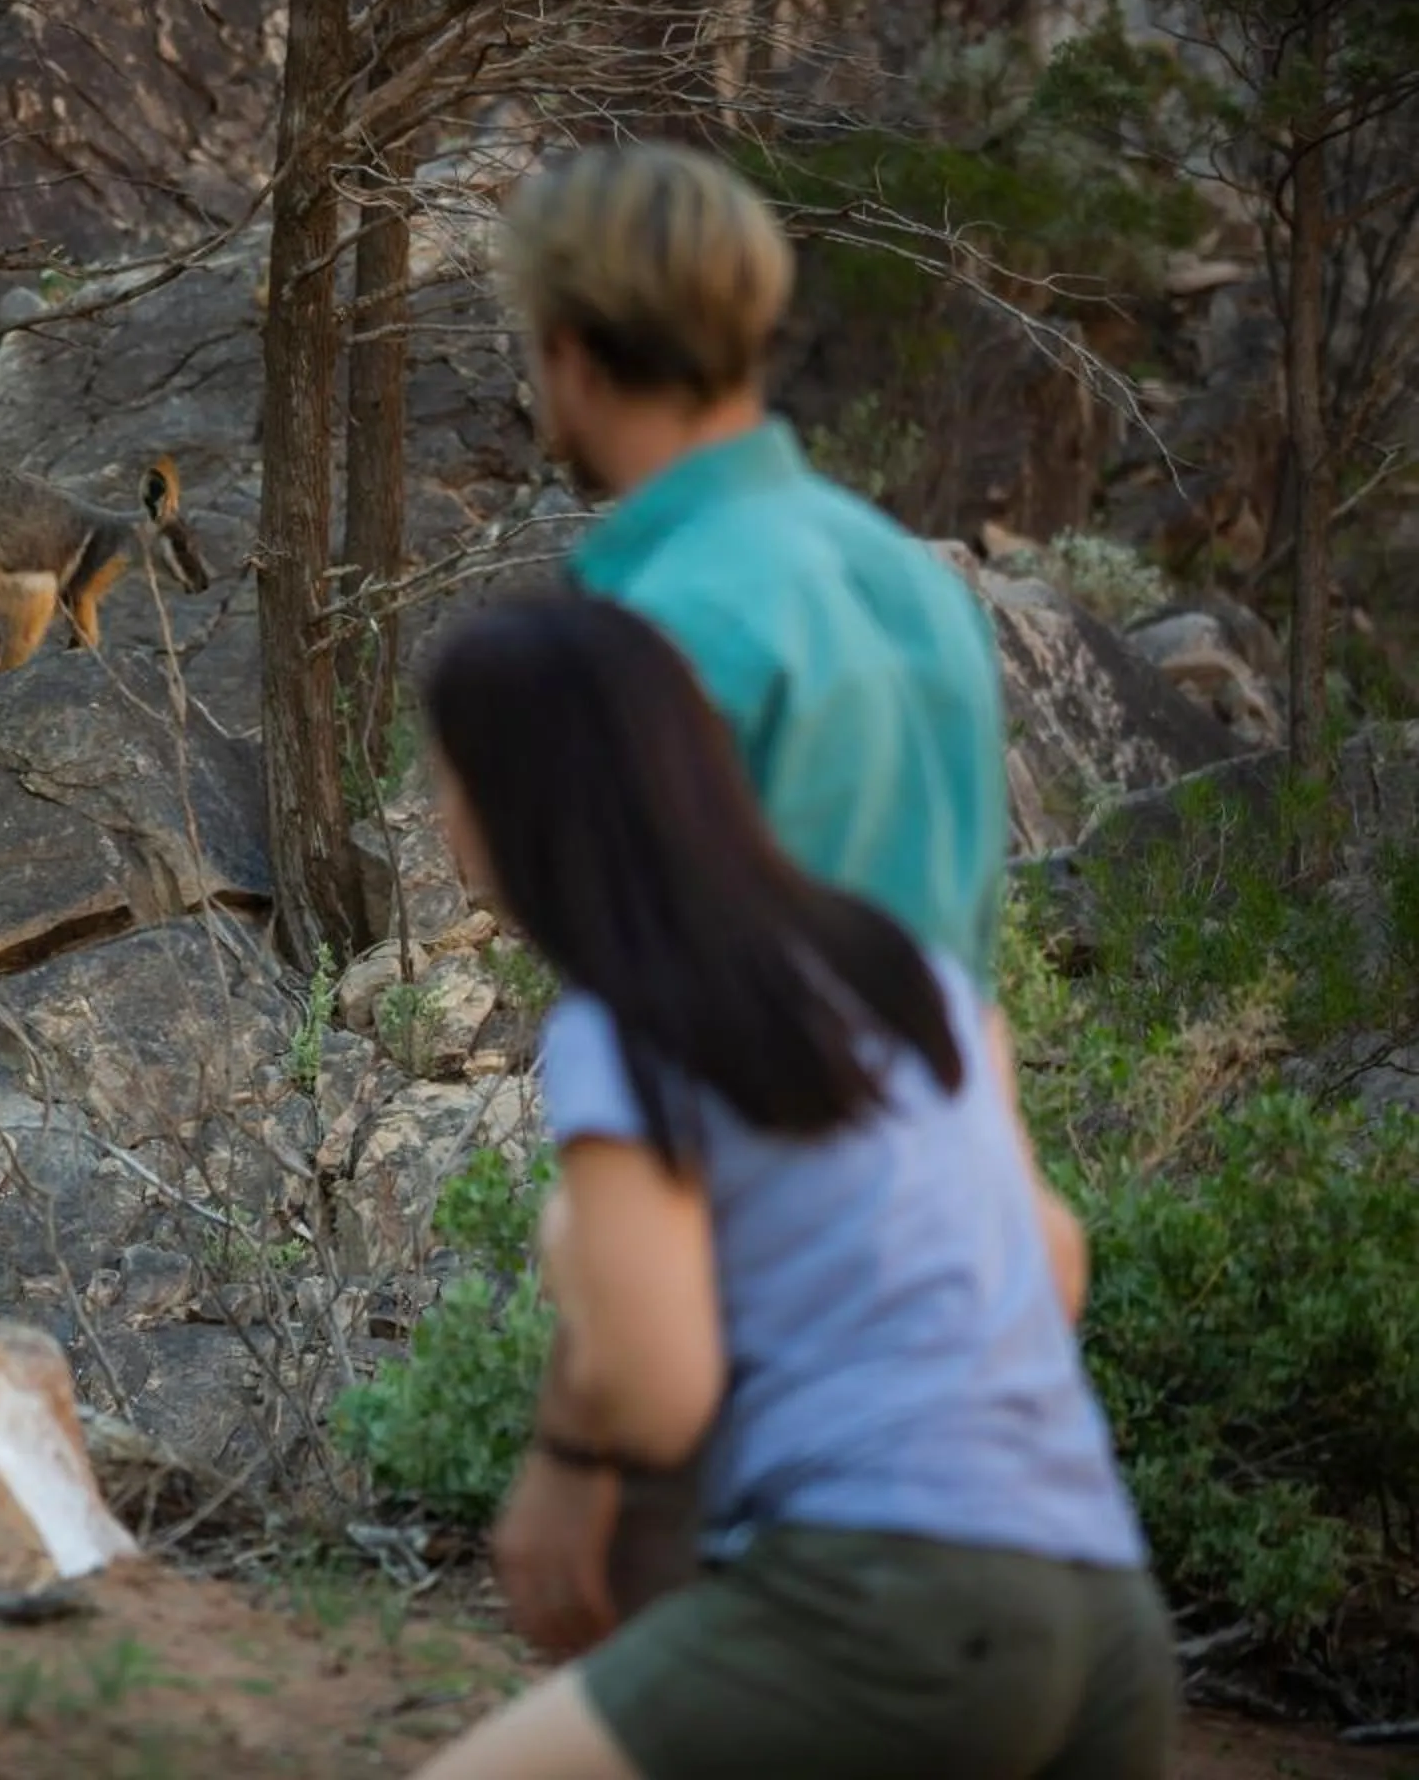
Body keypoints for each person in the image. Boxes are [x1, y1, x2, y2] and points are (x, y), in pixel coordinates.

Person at [411, 595, 1172, 1780]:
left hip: (887, 1604)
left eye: (447, 779)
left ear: (517, 801)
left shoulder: (622, 1020)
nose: (440, 818)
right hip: (1107, 1621)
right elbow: (1054, 1269)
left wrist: (564, 1454)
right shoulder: (903, 967)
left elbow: (660, 1394)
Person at [482, 138, 1019, 1646]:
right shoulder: (910, 581)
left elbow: (671, 1061)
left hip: (741, 1332)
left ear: (572, 356)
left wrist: (573, 1449)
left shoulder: (647, 625)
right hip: (955, 1326)